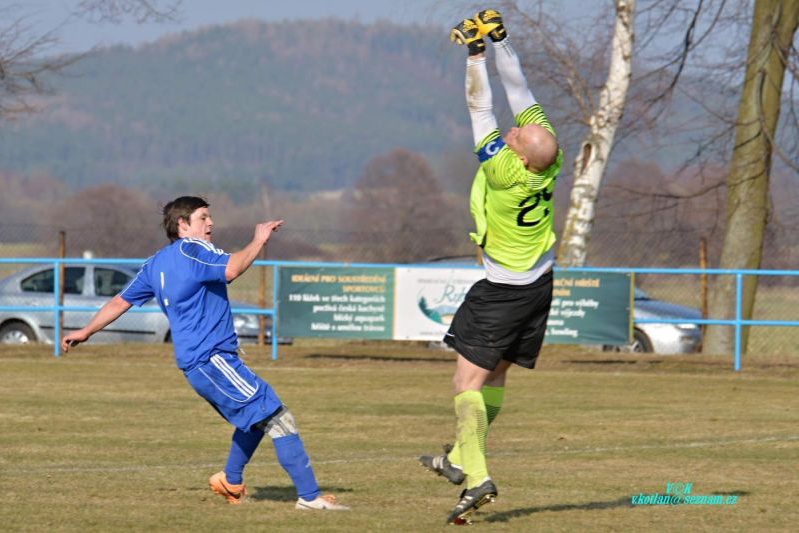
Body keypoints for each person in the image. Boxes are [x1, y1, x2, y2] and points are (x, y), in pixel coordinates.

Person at [61, 196, 348, 511]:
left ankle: (230, 479)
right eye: (203, 218)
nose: (210, 224)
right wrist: (258, 240)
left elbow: (120, 301)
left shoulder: (155, 263)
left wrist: (87, 330)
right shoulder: (195, 250)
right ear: (183, 225)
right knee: (278, 417)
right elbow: (232, 269)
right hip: (212, 359)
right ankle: (309, 499)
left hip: (198, 364)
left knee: (252, 419)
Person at [419, 9, 562, 525]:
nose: (515, 130)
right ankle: (458, 459)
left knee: (465, 386)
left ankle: (476, 476)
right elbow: (520, 92)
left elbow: (480, 104)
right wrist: (501, 41)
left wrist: (474, 53)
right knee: (496, 375)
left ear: (521, 159)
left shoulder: (504, 171)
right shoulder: (550, 157)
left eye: (519, 138)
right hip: (539, 284)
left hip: (502, 292)